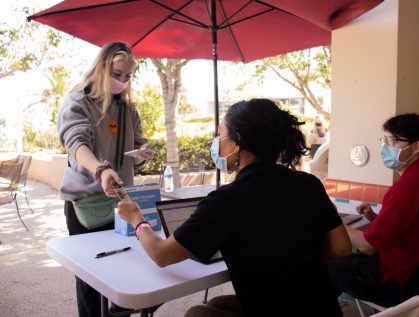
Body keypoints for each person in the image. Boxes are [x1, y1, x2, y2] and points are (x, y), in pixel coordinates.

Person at [118, 98, 352, 316]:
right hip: (323, 308)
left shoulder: (226, 200)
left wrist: (137, 219)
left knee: (196, 313)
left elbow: (161, 254)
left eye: (220, 134)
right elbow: (341, 247)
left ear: (237, 142)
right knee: (215, 305)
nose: (216, 142)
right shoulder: (308, 183)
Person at [57, 41, 155, 317]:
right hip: (87, 202)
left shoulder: (128, 109)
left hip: (123, 202)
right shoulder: (78, 101)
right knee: (90, 275)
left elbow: (138, 144)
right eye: (117, 73)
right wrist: (101, 170)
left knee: (124, 267)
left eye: (128, 76)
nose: (122, 81)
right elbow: (76, 143)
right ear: (101, 68)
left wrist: (142, 153)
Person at [327, 113, 419, 307]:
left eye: (393, 141)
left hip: (400, 283)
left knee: (321, 268)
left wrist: (331, 221)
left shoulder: (410, 185)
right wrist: (374, 218)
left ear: (416, 147)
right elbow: (412, 225)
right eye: (385, 140)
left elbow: (369, 247)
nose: (385, 147)